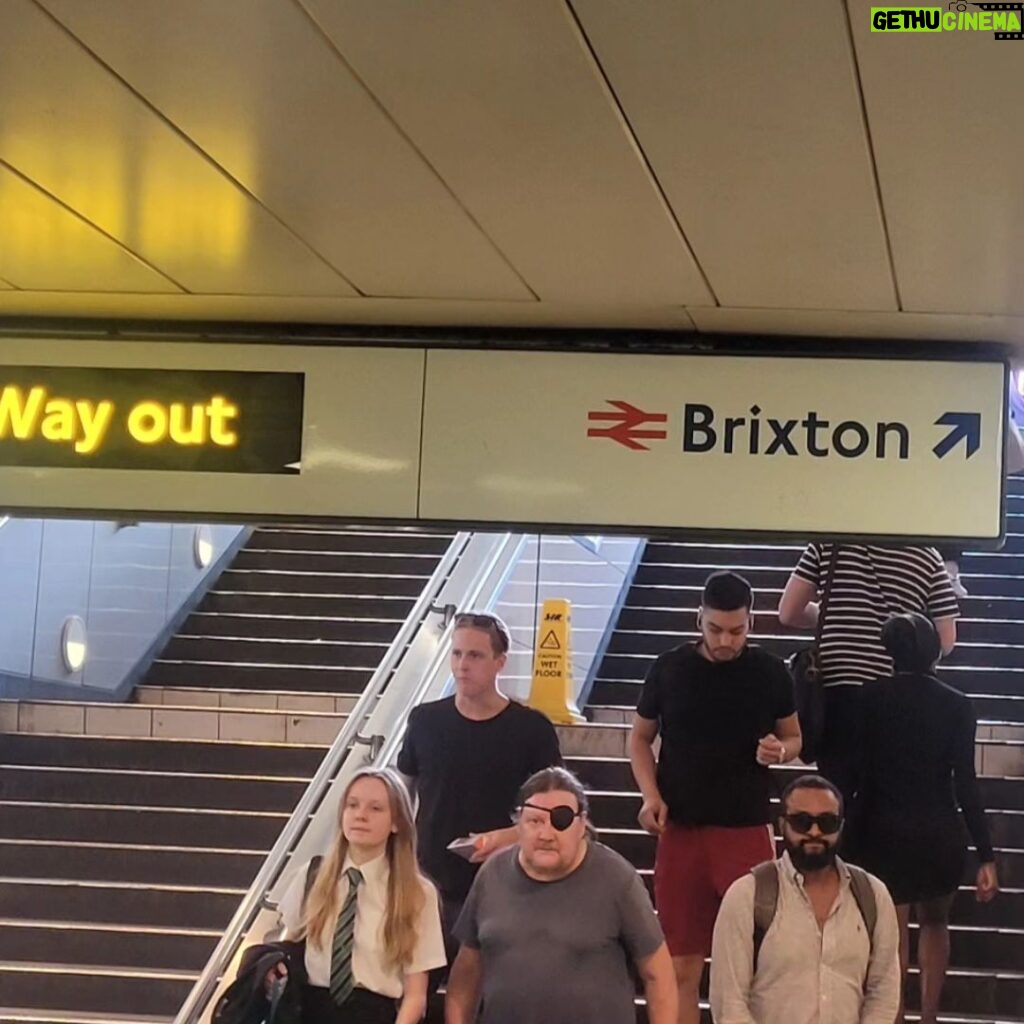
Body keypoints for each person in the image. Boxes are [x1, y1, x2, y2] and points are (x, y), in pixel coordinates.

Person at [629, 570, 801, 1024]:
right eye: (715, 629)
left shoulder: (769, 671)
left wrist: (781, 751)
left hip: (745, 829)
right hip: (681, 830)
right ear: (698, 619)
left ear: (752, 623)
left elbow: (795, 737)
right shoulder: (669, 668)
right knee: (680, 963)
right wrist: (650, 797)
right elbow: (639, 739)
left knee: (755, 961)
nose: (726, 640)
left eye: (736, 630)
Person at [846, 612, 999, 1024]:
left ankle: (892, 1014)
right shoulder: (958, 704)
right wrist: (985, 853)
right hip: (938, 830)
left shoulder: (868, 698)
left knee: (892, 932)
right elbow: (965, 782)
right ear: (934, 651)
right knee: (936, 922)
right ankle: (929, 1014)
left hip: (882, 830)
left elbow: (856, 773)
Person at [445, 766, 677, 1024]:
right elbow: (465, 978)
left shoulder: (617, 879)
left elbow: (658, 976)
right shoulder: (491, 876)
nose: (546, 834)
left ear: (581, 825)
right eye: (535, 821)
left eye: (561, 822)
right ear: (518, 823)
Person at [397, 611, 561, 956]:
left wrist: (506, 837)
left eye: (474, 655)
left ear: (499, 662)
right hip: (430, 883)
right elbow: (400, 795)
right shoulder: (426, 721)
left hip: (505, 884)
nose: (462, 665)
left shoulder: (531, 730)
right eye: (456, 654)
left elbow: (558, 814)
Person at [710, 774, 900, 1024]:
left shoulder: (873, 895)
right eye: (802, 822)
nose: (814, 832)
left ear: (841, 827)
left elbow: (883, 991)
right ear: (782, 825)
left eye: (827, 822)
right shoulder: (747, 895)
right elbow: (729, 1002)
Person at [778, 544, 959, 806]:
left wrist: (831, 616)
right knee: (885, 800)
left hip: (836, 694)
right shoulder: (926, 554)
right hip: (896, 698)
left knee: (837, 799)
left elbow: (788, 611)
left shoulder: (830, 543)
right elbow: (946, 639)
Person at [271, 767, 446, 1024]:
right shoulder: (313, 875)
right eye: (352, 805)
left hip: (372, 1013)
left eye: (375, 809)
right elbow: (284, 947)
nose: (360, 815)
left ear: (397, 822)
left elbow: (415, 996)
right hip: (309, 1010)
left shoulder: (417, 892)